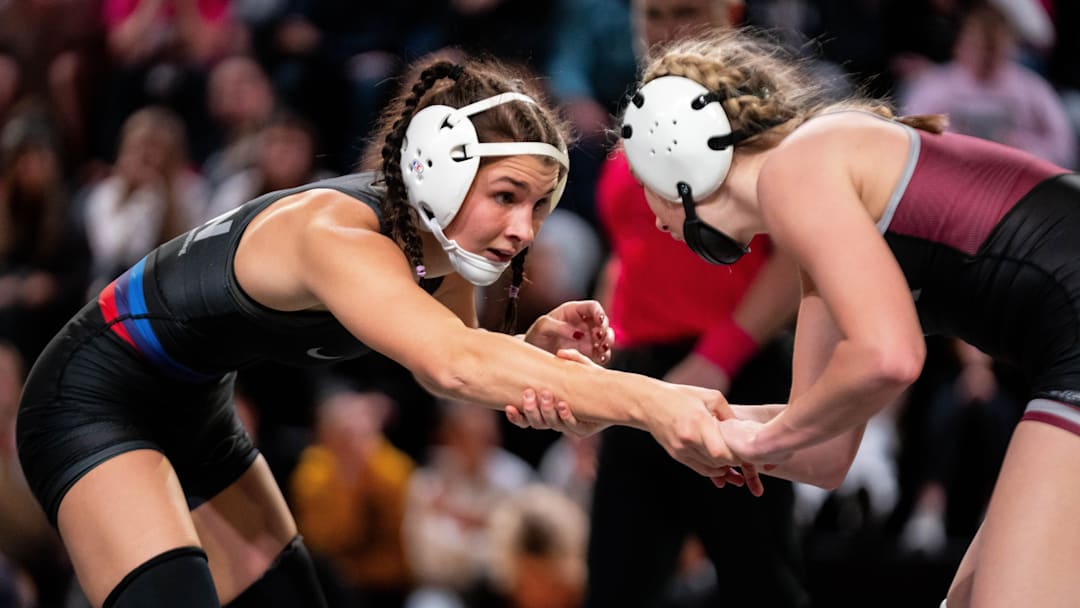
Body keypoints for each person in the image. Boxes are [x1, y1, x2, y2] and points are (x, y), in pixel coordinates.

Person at [16, 55, 747, 608]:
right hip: (91, 401)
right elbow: (456, 361)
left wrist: (529, 353)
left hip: (192, 405)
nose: (522, 230)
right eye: (506, 197)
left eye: (538, 207)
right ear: (437, 168)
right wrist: (659, 404)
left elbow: (444, 362)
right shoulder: (338, 236)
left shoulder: (439, 243)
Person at [509, 27, 1080, 607]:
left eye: (645, 186)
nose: (655, 221)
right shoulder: (813, 211)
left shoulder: (797, 168)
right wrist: (643, 412)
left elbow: (890, 357)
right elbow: (823, 453)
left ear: (674, 156)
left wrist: (758, 442)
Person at [580, 1, 808, 606]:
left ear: (730, 13)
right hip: (639, 374)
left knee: (759, 581)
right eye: (651, 15)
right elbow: (628, 251)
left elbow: (797, 255)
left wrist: (718, 358)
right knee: (617, 586)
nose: (665, 29)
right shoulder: (642, 120)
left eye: (685, 10)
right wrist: (597, 373)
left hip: (735, 371)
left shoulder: (752, 117)